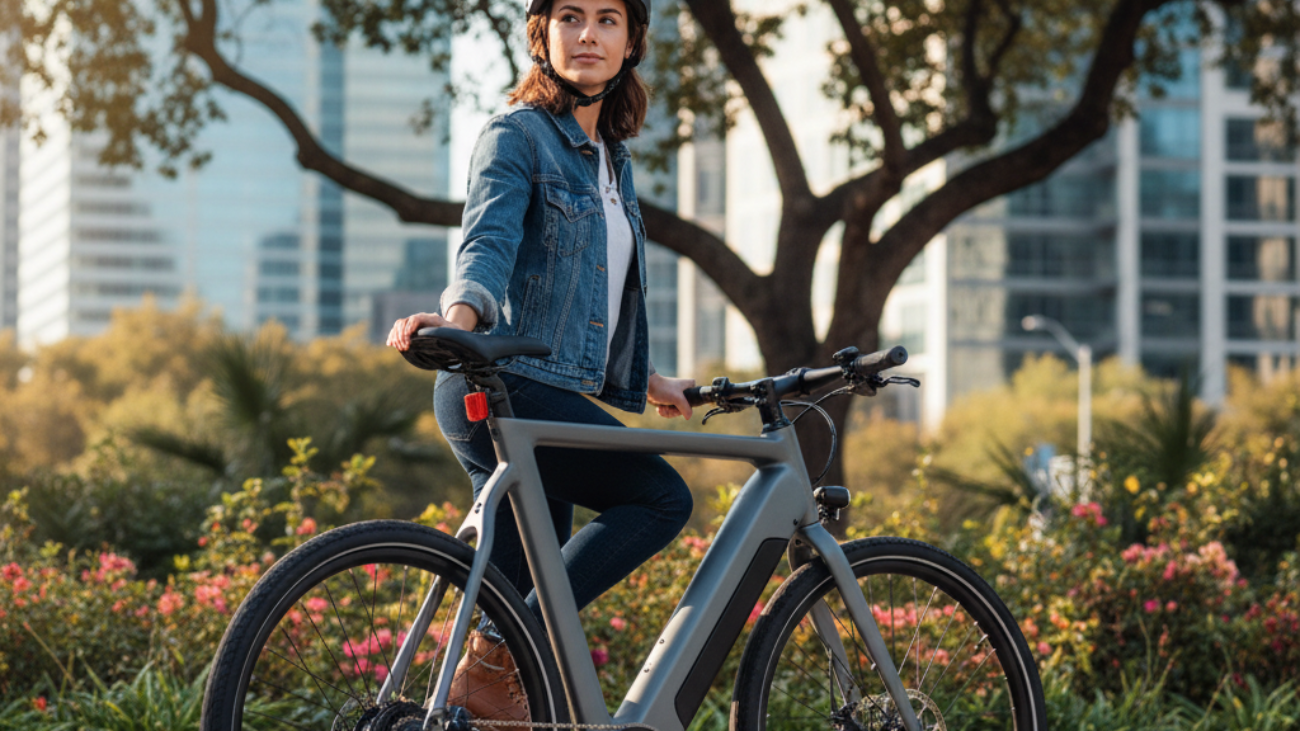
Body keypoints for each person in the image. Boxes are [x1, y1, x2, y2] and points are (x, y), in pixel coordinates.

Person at [387, 0, 694, 721]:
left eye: (608, 19)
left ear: (631, 43)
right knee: (660, 498)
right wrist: (457, 321)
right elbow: (487, 247)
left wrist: (647, 377)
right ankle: (496, 652)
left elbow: (588, 297)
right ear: (544, 36)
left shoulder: (612, 162)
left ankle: (475, 689)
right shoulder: (517, 136)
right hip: (504, 387)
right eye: (571, 17)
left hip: (545, 394)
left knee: (530, 601)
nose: (588, 34)